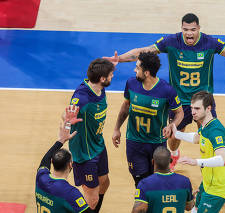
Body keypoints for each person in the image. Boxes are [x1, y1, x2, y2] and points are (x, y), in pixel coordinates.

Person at [104, 13, 225, 170]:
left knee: (208, 134)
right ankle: (173, 154)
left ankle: (210, 162)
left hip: (203, 101)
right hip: (178, 101)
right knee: (174, 134)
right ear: (181, 29)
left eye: (193, 29)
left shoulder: (209, 42)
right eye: (185, 29)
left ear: (199, 29)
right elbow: (144, 51)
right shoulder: (171, 41)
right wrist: (120, 59)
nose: (189, 33)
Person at [112, 52, 184, 187]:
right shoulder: (131, 84)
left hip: (157, 143)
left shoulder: (167, 90)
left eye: (137, 68)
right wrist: (117, 128)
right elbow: (126, 106)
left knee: (157, 181)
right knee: (140, 183)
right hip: (134, 142)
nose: (134, 70)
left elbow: (179, 113)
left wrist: (171, 125)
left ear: (146, 73)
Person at [172, 91, 225, 213]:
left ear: (208, 108)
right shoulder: (206, 125)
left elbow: (222, 159)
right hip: (207, 182)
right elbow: (196, 138)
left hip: (218, 187)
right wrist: (176, 134)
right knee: (194, 209)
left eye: (197, 108)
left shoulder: (216, 131)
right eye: (191, 108)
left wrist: (195, 161)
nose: (193, 112)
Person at [67, 58, 115, 212]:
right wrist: (68, 118)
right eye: (111, 74)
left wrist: (111, 64)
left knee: (105, 183)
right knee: (92, 199)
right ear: (102, 78)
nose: (112, 76)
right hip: (84, 153)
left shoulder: (98, 85)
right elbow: (67, 113)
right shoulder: (83, 98)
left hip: (98, 144)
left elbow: (97, 67)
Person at [35, 105, 94, 213]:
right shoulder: (70, 193)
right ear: (70, 165)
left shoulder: (41, 178)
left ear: (52, 162)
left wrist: (60, 141)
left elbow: (45, 160)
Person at [132, 146, 194, 213]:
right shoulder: (185, 182)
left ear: (152, 162)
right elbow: (189, 207)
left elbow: (138, 210)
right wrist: (191, 197)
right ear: (171, 161)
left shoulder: (145, 184)